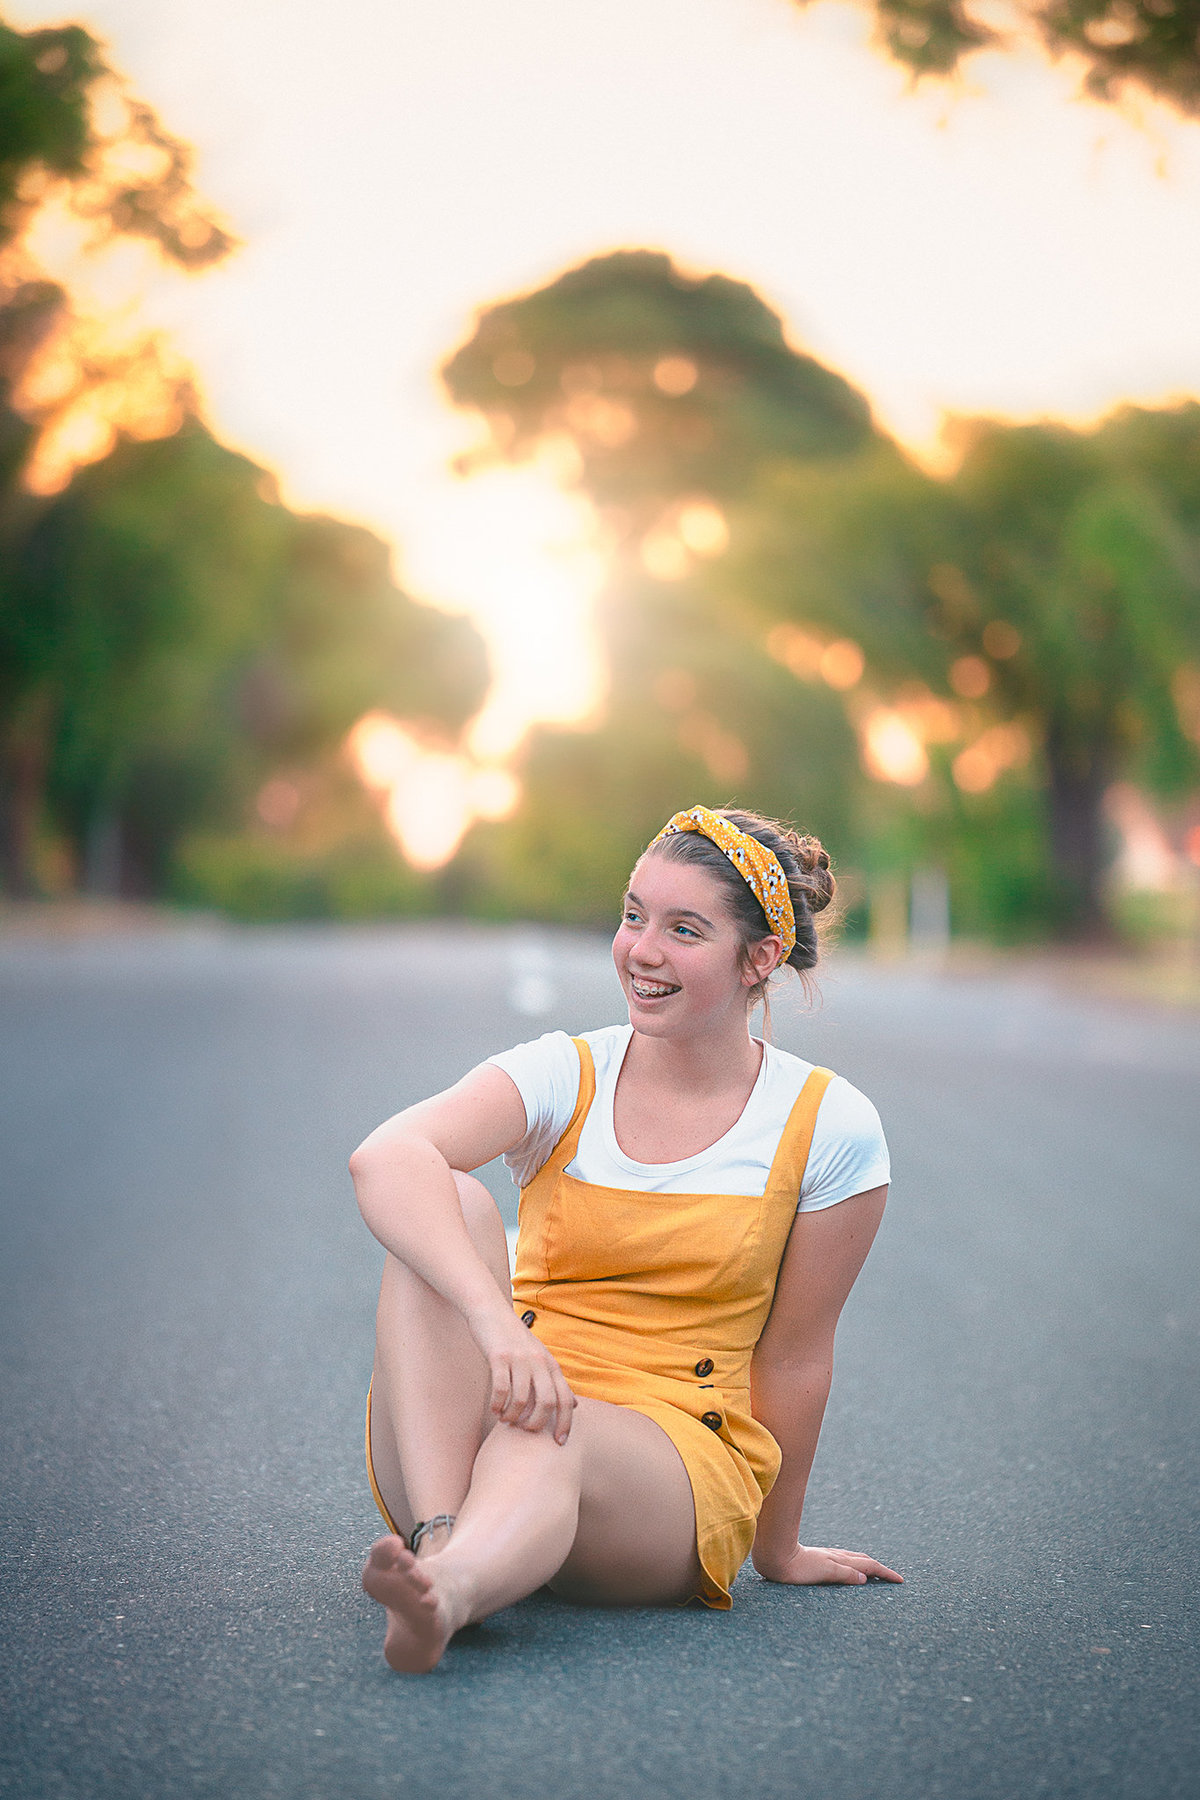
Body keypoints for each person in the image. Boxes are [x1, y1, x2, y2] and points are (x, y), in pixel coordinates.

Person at [351, 804, 901, 1673]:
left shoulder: (829, 1125)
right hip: (480, 1434)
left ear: (757, 959)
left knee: (547, 1435)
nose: (642, 949)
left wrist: (779, 1549)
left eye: (684, 929)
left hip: (668, 1467)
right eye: (634, 914)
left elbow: (796, 1359)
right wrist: (497, 1326)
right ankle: (447, 1539)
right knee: (443, 1200)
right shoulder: (566, 1072)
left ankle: (446, 1593)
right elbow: (382, 1157)